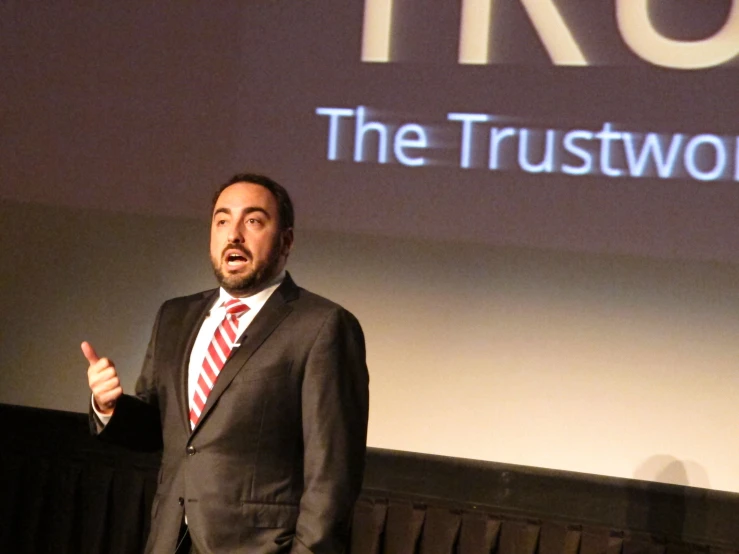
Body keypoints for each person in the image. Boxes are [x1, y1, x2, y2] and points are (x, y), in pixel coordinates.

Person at [82, 173, 370, 554]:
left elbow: (333, 472)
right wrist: (109, 407)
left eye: (253, 221)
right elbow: (164, 430)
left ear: (286, 240)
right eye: (222, 221)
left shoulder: (322, 326)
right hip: (170, 540)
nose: (234, 234)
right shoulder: (174, 316)